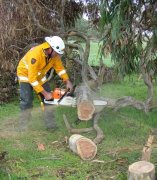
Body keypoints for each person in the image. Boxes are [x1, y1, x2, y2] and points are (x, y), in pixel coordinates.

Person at [17, 36, 73, 131]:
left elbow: (60, 69)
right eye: (57, 53)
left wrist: (67, 81)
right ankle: (23, 126)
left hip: (39, 76)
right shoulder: (35, 55)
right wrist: (45, 94)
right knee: (27, 101)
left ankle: (50, 125)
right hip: (26, 75)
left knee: (50, 100)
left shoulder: (54, 55)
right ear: (50, 49)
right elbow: (32, 79)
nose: (58, 56)